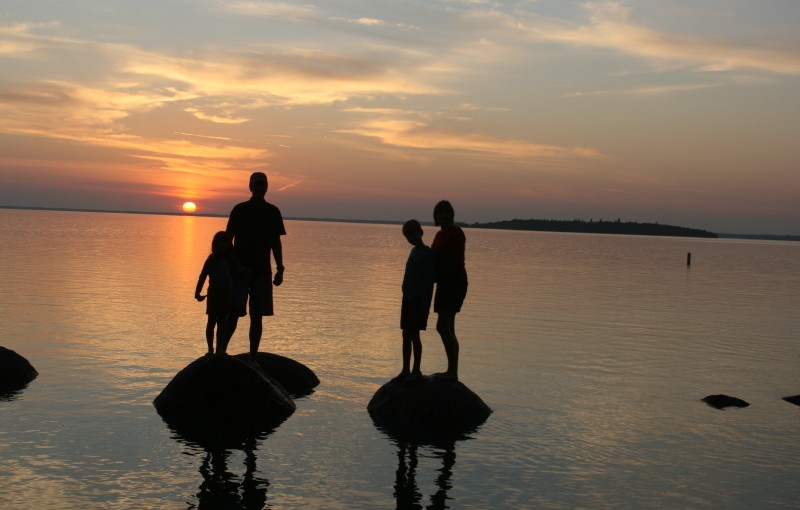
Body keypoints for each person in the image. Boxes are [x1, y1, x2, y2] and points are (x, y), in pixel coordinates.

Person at [224, 171, 286, 362]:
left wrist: (280, 268)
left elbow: (276, 242)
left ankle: (253, 357)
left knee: (257, 316)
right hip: (240, 271)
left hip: (262, 271)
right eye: (256, 184)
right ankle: (220, 352)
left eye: (262, 184)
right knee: (233, 313)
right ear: (250, 187)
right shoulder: (239, 210)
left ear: (266, 187)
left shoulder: (273, 212)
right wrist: (234, 267)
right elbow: (228, 240)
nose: (259, 187)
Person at [431, 200, 467, 381]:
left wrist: (435, 275)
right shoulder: (439, 235)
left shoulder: (456, 233)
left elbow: (450, 260)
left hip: (454, 282)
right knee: (449, 327)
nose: (443, 216)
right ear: (436, 216)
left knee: (442, 326)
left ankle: (452, 372)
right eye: (440, 213)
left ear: (451, 215)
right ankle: (452, 371)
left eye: (446, 213)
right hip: (443, 283)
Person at [395, 219, 435, 381]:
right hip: (408, 298)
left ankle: (416, 370)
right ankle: (405, 369)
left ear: (420, 232)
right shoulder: (413, 251)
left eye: (413, 233)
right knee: (406, 334)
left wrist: (425, 304)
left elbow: (429, 281)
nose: (411, 238)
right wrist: (404, 288)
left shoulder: (428, 253)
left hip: (419, 300)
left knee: (414, 335)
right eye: (408, 236)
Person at [195, 231, 238, 355]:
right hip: (214, 294)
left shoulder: (231, 261)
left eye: (226, 243)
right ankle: (210, 349)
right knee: (211, 321)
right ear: (216, 244)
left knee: (222, 323)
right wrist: (197, 293)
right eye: (221, 243)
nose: (224, 246)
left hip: (226, 294)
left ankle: (220, 349)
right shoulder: (211, 260)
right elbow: (202, 276)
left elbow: (237, 273)